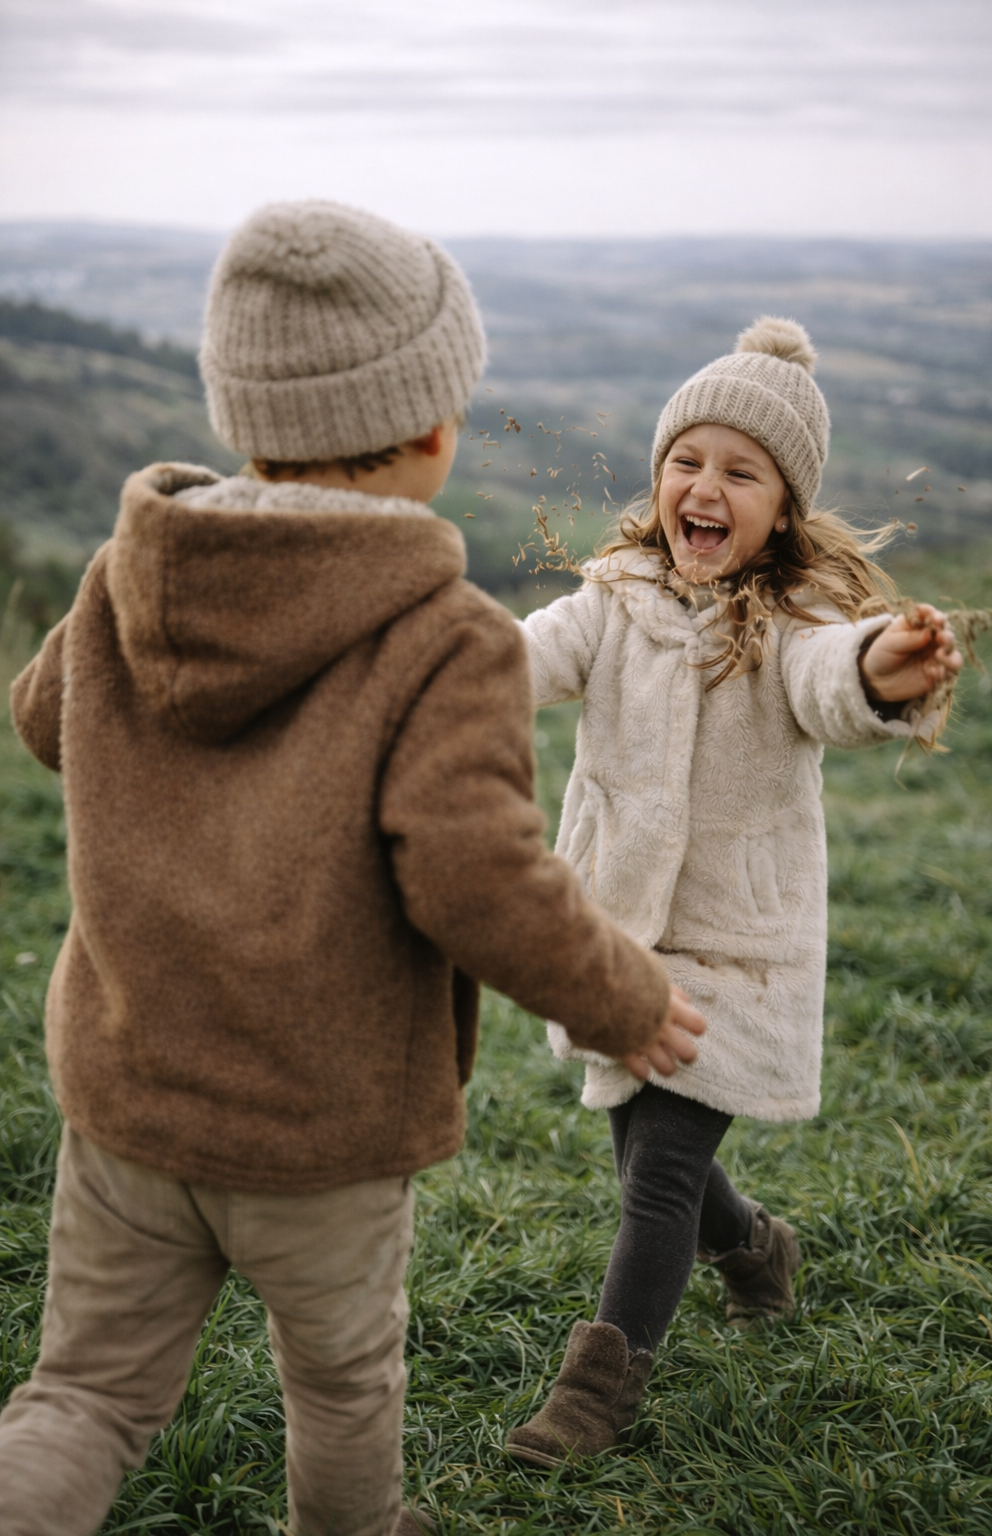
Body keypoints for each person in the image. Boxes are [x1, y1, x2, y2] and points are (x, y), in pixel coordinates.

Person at [0, 201, 706, 1536]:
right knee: (337, 1391)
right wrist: (621, 995)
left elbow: (45, 719)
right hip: (320, 1130)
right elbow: (476, 879)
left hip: (128, 1096)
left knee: (83, 1400)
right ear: (434, 427)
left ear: (237, 408)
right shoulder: (446, 637)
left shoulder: (122, 578)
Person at [505, 316, 963, 1468]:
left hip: (736, 943)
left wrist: (880, 668)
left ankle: (597, 1391)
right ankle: (756, 1246)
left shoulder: (797, 621)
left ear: (785, 508)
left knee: (659, 1169)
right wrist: (424, 666)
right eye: (685, 460)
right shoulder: (611, 597)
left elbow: (828, 680)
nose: (704, 488)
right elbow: (522, 657)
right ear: (659, 477)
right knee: (643, 1149)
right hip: (619, 932)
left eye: (740, 472)